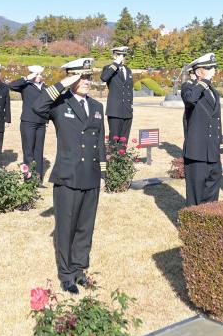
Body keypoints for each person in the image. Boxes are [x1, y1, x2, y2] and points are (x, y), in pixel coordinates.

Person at [32, 57, 106, 295]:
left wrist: (102, 172)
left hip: (90, 175)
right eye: (81, 77)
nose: (86, 81)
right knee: (66, 228)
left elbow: (100, 143)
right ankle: (66, 275)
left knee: (85, 227)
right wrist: (64, 83)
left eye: (88, 77)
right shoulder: (59, 104)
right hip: (67, 176)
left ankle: (79, 269)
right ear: (71, 77)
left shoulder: (96, 107)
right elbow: (37, 106)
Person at [181, 53, 223, 206]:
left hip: (212, 150)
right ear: (199, 72)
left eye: (213, 67)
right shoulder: (189, 87)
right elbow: (190, 99)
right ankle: (192, 226)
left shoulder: (213, 91)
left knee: (212, 190)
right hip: (197, 150)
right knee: (196, 193)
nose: (213, 70)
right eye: (209, 68)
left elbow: (217, 120)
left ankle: (208, 223)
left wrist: (221, 148)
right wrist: (203, 81)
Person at [9, 65, 48, 183]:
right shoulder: (25, 86)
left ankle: (38, 179)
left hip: (41, 122)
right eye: (36, 74)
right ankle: (29, 179)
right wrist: (26, 78)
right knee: (28, 151)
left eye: (40, 74)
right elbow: (11, 86)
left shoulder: (45, 87)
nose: (38, 76)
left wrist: (46, 120)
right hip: (28, 122)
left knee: (39, 151)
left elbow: (48, 105)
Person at [100, 46, 133, 142]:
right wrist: (116, 64)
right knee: (114, 140)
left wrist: (130, 107)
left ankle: (122, 157)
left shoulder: (128, 70)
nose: (122, 57)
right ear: (114, 56)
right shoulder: (108, 68)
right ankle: (112, 157)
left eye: (124, 55)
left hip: (127, 111)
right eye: (120, 55)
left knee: (124, 140)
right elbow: (104, 78)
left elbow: (129, 90)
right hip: (115, 111)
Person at [182, 67, 197, 137]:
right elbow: (188, 102)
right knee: (189, 138)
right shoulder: (187, 85)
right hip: (190, 115)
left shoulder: (201, 84)